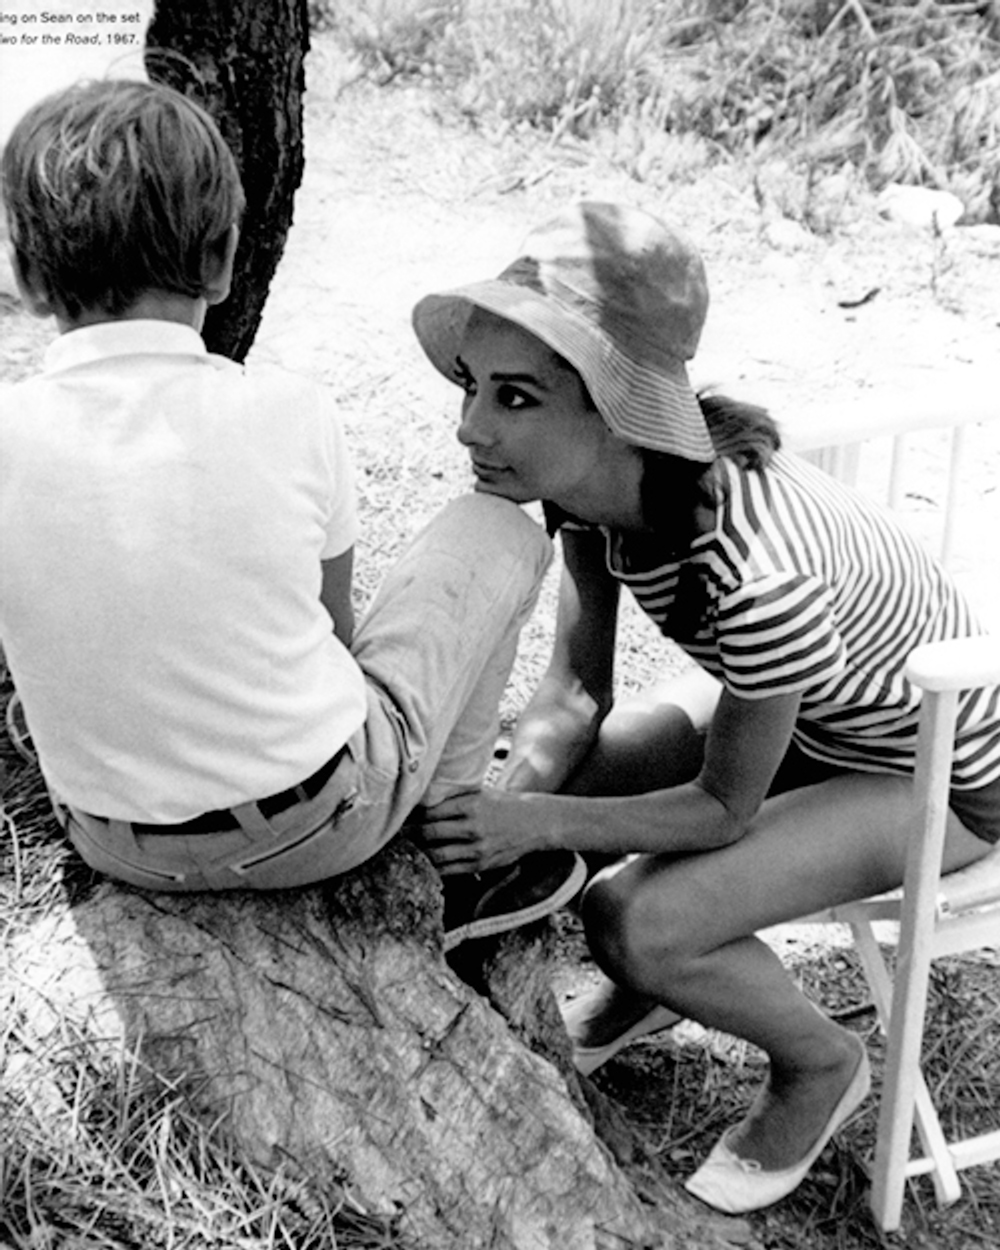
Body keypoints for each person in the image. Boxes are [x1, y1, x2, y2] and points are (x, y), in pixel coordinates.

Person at [409, 200, 1000, 1212]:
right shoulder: (593, 496)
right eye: (473, 385)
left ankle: (818, 1061)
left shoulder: (755, 572)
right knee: (590, 770)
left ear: (614, 411)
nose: (471, 426)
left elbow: (723, 809)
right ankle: (655, 984)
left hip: (936, 771)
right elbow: (575, 690)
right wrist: (498, 812)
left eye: (515, 398)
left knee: (629, 913)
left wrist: (536, 821)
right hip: (818, 719)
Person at [0, 79, 585, 947]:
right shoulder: (289, 410)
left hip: (112, 840)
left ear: (26, 275)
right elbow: (332, 635)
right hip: (314, 827)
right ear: (222, 260)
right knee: (496, 527)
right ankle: (458, 855)